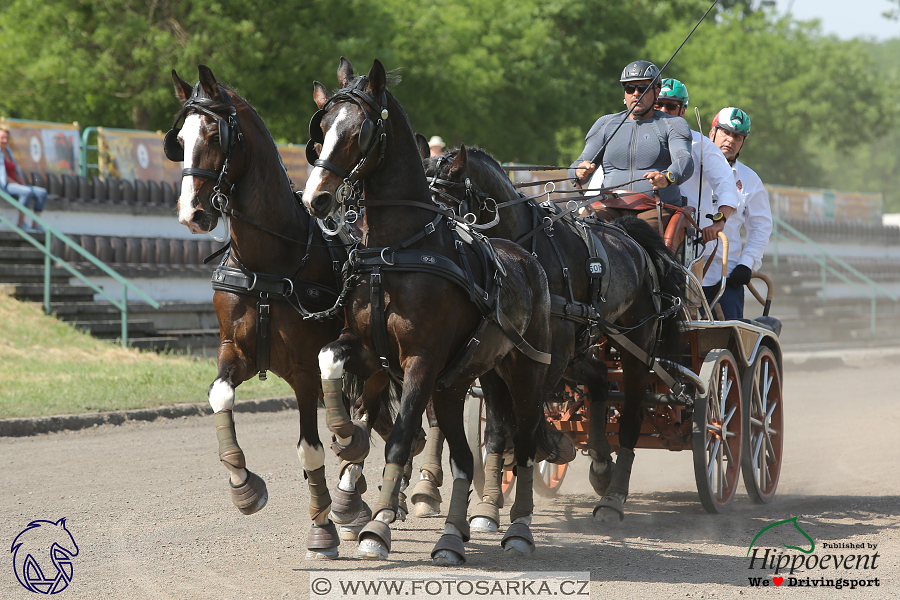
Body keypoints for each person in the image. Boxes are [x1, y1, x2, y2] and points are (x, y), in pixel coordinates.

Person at [569, 60, 694, 235]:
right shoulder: (606, 124)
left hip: (655, 207)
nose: (636, 94)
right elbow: (580, 163)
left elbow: (684, 160)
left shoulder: (673, 124)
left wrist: (667, 177)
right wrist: (578, 172)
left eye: (643, 88)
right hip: (608, 206)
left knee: (633, 239)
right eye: (630, 89)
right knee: (578, 235)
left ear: (656, 92)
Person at [654, 78, 739, 257]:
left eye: (670, 106)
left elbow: (727, 185)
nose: (663, 111)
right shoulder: (632, 136)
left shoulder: (701, 144)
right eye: (658, 104)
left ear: (682, 110)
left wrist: (719, 222)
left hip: (686, 240)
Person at [702, 107, 773, 319]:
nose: (730, 140)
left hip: (726, 276)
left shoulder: (750, 180)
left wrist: (746, 263)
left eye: (738, 136)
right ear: (711, 132)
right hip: (686, 272)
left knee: (728, 342)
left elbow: (761, 226)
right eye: (725, 132)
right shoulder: (692, 169)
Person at [0, 127, 49, 231]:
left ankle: (35, 224)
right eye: (2, 138)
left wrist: (23, 184)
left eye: (7, 138)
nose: (5, 140)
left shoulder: (8, 151)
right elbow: (3, 176)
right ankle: (21, 223)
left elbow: (16, 171)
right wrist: (18, 185)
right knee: (26, 192)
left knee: (41, 193)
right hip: (4, 186)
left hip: (15, 184)